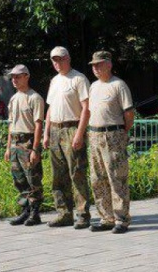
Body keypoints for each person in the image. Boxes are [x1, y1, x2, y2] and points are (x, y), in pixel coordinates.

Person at [43, 46, 93, 229]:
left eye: (61, 59)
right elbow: (50, 108)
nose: (57, 63)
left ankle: (82, 213)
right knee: (58, 175)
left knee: (77, 172)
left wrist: (80, 133)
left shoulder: (78, 79)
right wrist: (46, 133)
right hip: (56, 129)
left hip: (72, 127)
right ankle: (64, 212)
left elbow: (86, 108)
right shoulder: (54, 81)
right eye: (54, 60)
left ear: (68, 59)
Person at [87, 51, 135, 234]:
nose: (95, 68)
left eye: (99, 64)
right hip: (94, 135)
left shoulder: (118, 85)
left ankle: (121, 219)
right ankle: (106, 217)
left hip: (113, 134)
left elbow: (128, 114)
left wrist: (121, 133)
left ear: (109, 64)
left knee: (117, 177)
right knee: (97, 179)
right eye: (93, 65)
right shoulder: (93, 86)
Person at [4, 65, 45, 226]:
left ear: (26, 76)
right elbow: (10, 125)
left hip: (28, 141)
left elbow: (38, 125)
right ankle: (25, 210)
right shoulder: (13, 98)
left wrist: (35, 148)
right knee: (19, 178)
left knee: (32, 177)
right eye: (12, 77)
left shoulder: (34, 97)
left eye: (18, 76)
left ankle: (35, 212)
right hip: (15, 141)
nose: (14, 80)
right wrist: (8, 148)